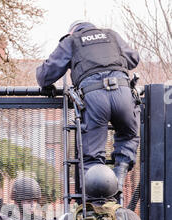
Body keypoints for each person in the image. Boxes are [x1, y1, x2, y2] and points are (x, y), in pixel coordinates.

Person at [36, 20, 141, 192]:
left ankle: (96, 206)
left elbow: (45, 75)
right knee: (128, 135)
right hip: (123, 92)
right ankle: (119, 176)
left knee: (92, 156)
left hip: (94, 97)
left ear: (72, 31)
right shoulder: (111, 35)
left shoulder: (72, 40)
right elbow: (133, 58)